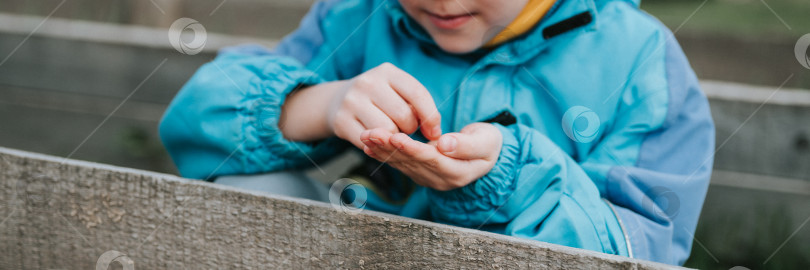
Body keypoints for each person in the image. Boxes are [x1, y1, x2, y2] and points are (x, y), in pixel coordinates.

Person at [159, 0, 715, 265]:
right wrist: (322, 103)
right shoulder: (361, 16)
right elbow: (198, 118)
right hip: (363, 253)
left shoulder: (639, 63)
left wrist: (508, 177)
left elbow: (635, 249)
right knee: (248, 195)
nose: (444, 1)